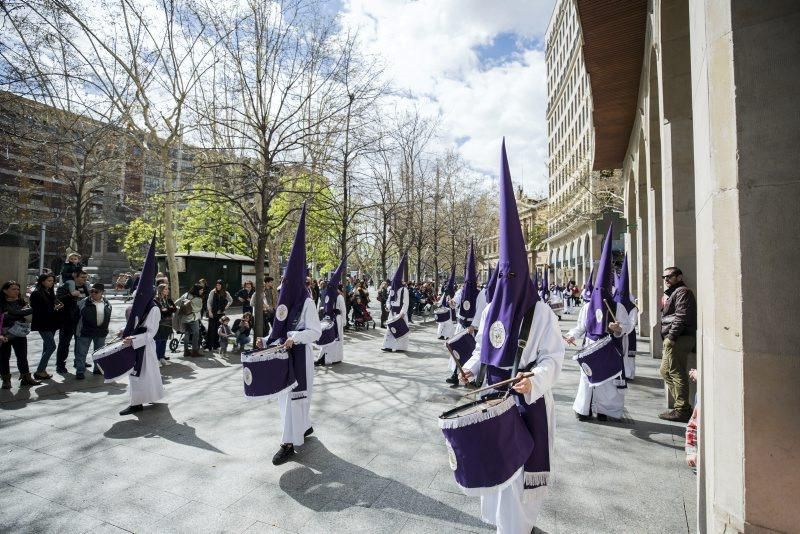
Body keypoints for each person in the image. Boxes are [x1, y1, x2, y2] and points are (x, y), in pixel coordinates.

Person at [460, 142, 563, 532]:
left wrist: (533, 380)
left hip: (526, 404)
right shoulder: (491, 310)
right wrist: (470, 368)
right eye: (501, 278)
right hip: (491, 400)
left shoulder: (542, 314)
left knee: (519, 480)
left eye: (512, 278)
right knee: (497, 472)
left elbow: (554, 360)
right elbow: (486, 351)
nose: (506, 285)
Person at [255, 204, 322, 465]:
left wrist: (295, 336)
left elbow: (314, 332)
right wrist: (267, 340)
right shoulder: (284, 304)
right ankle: (302, 427)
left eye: (285, 284)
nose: (281, 288)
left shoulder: (306, 303)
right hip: (283, 356)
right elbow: (277, 330)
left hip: (299, 358)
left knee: (293, 401)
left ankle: (287, 444)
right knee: (286, 401)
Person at [568, 226, 629, 422]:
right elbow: (581, 326)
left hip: (609, 348)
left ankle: (605, 411)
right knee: (586, 380)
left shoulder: (617, 306)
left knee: (607, 383)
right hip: (590, 347)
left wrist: (618, 329)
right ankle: (583, 409)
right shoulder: (587, 307)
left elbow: (627, 326)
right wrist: (571, 335)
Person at [119, 236, 165, 416]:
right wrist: (125, 331)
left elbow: (151, 332)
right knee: (143, 375)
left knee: (140, 375)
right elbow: (135, 325)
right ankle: (148, 396)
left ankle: (136, 403)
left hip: (144, 347)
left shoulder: (153, 309)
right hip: (136, 344)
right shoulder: (139, 308)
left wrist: (134, 339)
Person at [658, 266, 697, 423]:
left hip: (679, 338)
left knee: (676, 371)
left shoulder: (682, 292)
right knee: (665, 371)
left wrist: (672, 337)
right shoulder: (674, 292)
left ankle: (681, 409)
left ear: (679, 277)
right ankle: (683, 407)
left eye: (670, 276)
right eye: (664, 277)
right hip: (674, 337)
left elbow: (681, 316)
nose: (666, 279)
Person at [1, 280, 41, 388]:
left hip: (19, 332)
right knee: (4, 357)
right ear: (5, 291)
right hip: (5, 333)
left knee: (22, 356)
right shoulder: (2, 303)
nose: (16, 291)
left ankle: (26, 378)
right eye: (13, 289)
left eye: (18, 289)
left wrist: (13, 314)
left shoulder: (21, 301)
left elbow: (16, 315)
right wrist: (24, 312)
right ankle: (6, 380)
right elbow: (16, 313)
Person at [55, 270, 90, 374]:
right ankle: (60, 365)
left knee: (80, 343)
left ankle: (79, 362)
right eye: (82, 277)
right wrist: (71, 295)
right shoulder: (65, 287)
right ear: (76, 277)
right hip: (68, 320)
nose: (84, 280)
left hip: (81, 320)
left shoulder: (86, 288)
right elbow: (58, 299)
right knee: (64, 344)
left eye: (85, 278)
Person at [74, 283, 112, 379]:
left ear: (102, 293)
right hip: (85, 331)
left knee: (99, 353)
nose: (93, 293)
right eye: (92, 291)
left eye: (96, 292)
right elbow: (76, 316)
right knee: (81, 352)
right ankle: (80, 371)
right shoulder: (83, 302)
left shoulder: (107, 303)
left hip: (101, 332)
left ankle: (97, 369)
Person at [29, 273, 63, 380]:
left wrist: (57, 307)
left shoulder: (49, 292)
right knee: (51, 346)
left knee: (46, 347)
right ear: (42, 281)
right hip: (43, 324)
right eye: (49, 280)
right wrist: (54, 308)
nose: (51, 283)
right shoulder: (37, 293)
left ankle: (43, 370)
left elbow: (51, 306)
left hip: (51, 323)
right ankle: (39, 371)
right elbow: (39, 311)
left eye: (52, 281)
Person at [315, 260, 346, 366]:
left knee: (336, 339)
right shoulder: (330, 295)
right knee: (328, 338)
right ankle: (323, 357)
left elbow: (343, 310)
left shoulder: (339, 297)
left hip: (337, 319)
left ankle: (334, 357)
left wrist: (344, 320)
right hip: (329, 319)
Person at [382, 254, 410, 353]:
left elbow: (405, 303)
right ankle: (388, 346)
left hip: (400, 313)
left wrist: (402, 313)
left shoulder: (404, 290)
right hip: (392, 311)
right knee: (390, 329)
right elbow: (389, 299)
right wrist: (388, 306)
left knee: (400, 329)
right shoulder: (392, 289)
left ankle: (400, 347)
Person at [178, 284, 205, 357]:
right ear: (197, 290)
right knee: (196, 334)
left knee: (187, 334)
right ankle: (194, 351)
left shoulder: (186, 294)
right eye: (201, 290)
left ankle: (186, 351)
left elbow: (178, 302)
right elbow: (198, 309)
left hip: (184, 318)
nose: (202, 291)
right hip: (193, 318)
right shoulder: (198, 299)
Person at [206, 280, 232, 351]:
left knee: (219, 329)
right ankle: (208, 346)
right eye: (217, 285)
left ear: (222, 286)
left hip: (221, 314)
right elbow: (209, 302)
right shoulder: (212, 292)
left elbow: (230, 300)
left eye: (219, 285)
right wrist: (210, 311)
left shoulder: (225, 293)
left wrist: (226, 307)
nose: (218, 287)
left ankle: (216, 346)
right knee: (211, 330)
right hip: (213, 313)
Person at [154, 284, 175, 366]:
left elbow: (174, 309)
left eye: (167, 289)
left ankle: (162, 357)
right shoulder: (156, 300)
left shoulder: (167, 299)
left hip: (168, 323)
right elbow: (160, 311)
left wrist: (168, 309)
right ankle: (156, 359)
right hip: (160, 324)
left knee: (164, 341)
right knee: (158, 341)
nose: (168, 290)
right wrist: (168, 310)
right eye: (166, 289)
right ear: (161, 290)